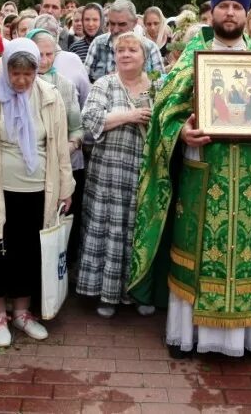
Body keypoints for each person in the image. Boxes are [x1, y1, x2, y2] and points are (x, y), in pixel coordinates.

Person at [128, 0, 251, 360]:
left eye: (238, 7)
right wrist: (180, 132)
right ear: (213, 11)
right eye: (224, 6)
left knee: (250, 252)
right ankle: (189, 336)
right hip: (202, 169)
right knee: (199, 250)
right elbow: (163, 113)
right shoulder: (192, 56)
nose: (231, 13)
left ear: (247, 13)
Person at [0, 39, 74, 347]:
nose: (21, 80)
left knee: (30, 252)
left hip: (39, 191)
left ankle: (22, 312)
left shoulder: (50, 97)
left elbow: (60, 147)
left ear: (37, 71)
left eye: (27, 74)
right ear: (6, 68)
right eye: (15, 73)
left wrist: (65, 187)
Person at [78, 31, 152, 317]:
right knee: (108, 230)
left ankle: (139, 293)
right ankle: (106, 296)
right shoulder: (105, 84)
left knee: (139, 232)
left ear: (144, 56)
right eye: (120, 50)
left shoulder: (156, 87)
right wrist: (130, 116)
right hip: (108, 173)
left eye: (132, 50)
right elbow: (90, 121)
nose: (125, 54)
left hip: (143, 173)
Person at [27, 28, 86, 266]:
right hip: (27, 171)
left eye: (49, 54)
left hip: (58, 167)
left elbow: (78, 129)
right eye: (38, 54)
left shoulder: (64, 85)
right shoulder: (18, 83)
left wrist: (67, 148)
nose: (44, 60)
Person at [85, 0, 164, 82]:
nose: (115, 30)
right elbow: (84, 81)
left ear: (135, 22)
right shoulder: (98, 43)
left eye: (122, 24)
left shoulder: (150, 48)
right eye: (112, 23)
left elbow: (160, 86)